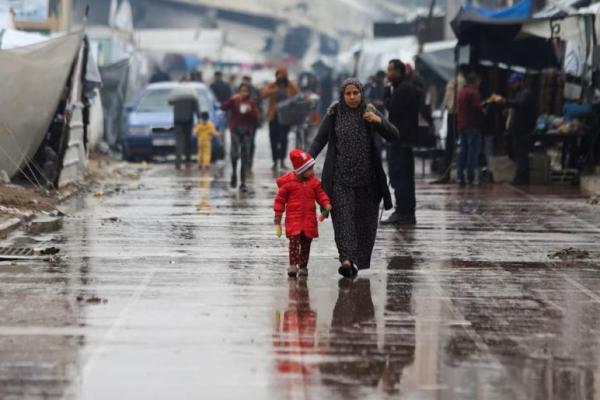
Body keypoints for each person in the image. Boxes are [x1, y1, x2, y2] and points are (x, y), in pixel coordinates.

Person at [309, 78, 399, 277]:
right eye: (347, 94)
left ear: (361, 94)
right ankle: (346, 260)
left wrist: (379, 121)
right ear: (342, 95)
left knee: (365, 225)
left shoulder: (370, 112)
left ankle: (356, 261)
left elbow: (394, 135)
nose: (351, 97)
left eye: (355, 93)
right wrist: (305, 162)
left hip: (368, 182)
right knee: (343, 221)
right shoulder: (334, 114)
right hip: (340, 180)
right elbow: (319, 140)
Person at [273, 149, 332, 277]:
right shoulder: (288, 184)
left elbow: (321, 195)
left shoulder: (314, 183)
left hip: (309, 220)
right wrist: (278, 216)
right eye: (309, 169)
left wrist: (326, 203)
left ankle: (303, 266)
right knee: (294, 243)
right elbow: (280, 200)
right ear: (300, 170)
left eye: (312, 168)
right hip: (294, 219)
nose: (313, 172)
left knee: (306, 244)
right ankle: (293, 265)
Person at [383, 59, 419, 225]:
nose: (388, 73)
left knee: (401, 177)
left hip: (401, 140)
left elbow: (392, 108)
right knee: (401, 177)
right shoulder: (402, 88)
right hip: (402, 139)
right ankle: (404, 212)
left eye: (391, 70)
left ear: (399, 72)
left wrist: (385, 93)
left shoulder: (404, 89)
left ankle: (404, 212)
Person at [220, 83, 259, 192]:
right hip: (235, 130)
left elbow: (256, 117)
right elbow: (223, 107)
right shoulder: (234, 100)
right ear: (239, 91)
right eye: (242, 91)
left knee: (244, 156)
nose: (244, 93)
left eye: (246, 91)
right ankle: (233, 174)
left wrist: (250, 110)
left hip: (246, 131)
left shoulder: (251, 103)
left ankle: (243, 182)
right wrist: (231, 99)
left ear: (248, 92)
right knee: (234, 154)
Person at [261, 67, 300, 171]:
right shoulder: (272, 85)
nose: (280, 77)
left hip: (286, 117)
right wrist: (275, 91)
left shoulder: (291, 86)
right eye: (278, 75)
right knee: (273, 138)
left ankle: (282, 160)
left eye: (282, 75)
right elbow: (264, 93)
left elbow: (298, 96)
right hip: (273, 116)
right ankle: (275, 161)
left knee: (284, 139)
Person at [503, 72, 536, 185]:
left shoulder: (525, 93)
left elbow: (520, 104)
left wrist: (505, 102)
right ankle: (524, 178)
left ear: (520, 82)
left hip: (522, 129)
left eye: (514, 83)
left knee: (521, 154)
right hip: (518, 128)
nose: (512, 85)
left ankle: (519, 179)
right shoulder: (519, 93)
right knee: (519, 153)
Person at [438, 65, 468, 182]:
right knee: (458, 142)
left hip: (451, 112)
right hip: (457, 113)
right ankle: (453, 171)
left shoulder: (452, 81)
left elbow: (447, 100)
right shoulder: (462, 82)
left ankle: (448, 170)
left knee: (450, 142)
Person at [456, 72, 483, 186]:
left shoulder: (462, 91)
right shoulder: (474, 92)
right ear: (475, 81)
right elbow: (477, 108)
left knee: (463, 150)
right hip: (472, 125)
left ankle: (460, 176)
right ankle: (470, 176)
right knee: (472, 151)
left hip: (462, 125)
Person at [168, 82, 201, 170]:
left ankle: (178, 162)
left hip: (177, 120)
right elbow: (196, 107)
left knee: (179, 142)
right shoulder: (191, 92)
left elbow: (170, 102)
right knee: (187, 141)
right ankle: (188, 161)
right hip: (188, 120)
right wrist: (199, 118)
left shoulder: (176, 91)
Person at [242, 75, 262, 171]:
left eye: (247, 81)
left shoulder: (255, 91)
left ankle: (249, 161)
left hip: (252, 120)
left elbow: (260, 105)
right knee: (243, 141)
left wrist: (259, 119)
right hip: (241, 120)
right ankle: (245, 161)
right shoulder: (239, 90)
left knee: (251, 141)